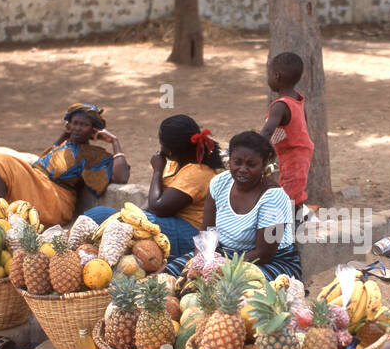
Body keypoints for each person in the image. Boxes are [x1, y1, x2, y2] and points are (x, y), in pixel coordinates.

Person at [165, 131, 301, 280]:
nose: (242, 169)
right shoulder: (220, 183)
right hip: (223, 253)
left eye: (251, 164)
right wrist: (201, 259)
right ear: (229, 160)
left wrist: (221, 267)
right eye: (237, 162)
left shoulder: (274, 198)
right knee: (172, 272)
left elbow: (264, 254)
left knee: (231, 287)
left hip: (270, 262)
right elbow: (207, 231)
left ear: (264, 163)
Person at [86, 115, 223, 258]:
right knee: (98, 214)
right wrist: (129, 216)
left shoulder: (198, 172)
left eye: (161, 143)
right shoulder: (175, 164)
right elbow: (150, 206)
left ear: (169, 150)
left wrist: (157, 171)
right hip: (165, 223)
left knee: (122, 228)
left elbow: (159, 208)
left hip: (187, 234)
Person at [0, 103, 130, 228]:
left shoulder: (91, 153)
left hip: (54, 199)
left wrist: (115, 142)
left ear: (93, 130)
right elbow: (44, 160)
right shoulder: (64, 145)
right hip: (38, 185)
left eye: (84, 125)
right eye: (74, 123)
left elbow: (121, 177)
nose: (77, 128)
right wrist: (64, 134)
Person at [260, 51, 314, 215]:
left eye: (268, 74)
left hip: (294, 154)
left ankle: (290, 225)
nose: (267, 78)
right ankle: (297, 218)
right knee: (293, 188)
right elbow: (298, 126)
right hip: (298, 152)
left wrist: (253, 147)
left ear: (276, 76)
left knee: (289, 193)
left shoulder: (280, 105)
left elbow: (268, 130)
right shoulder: (297, 99)